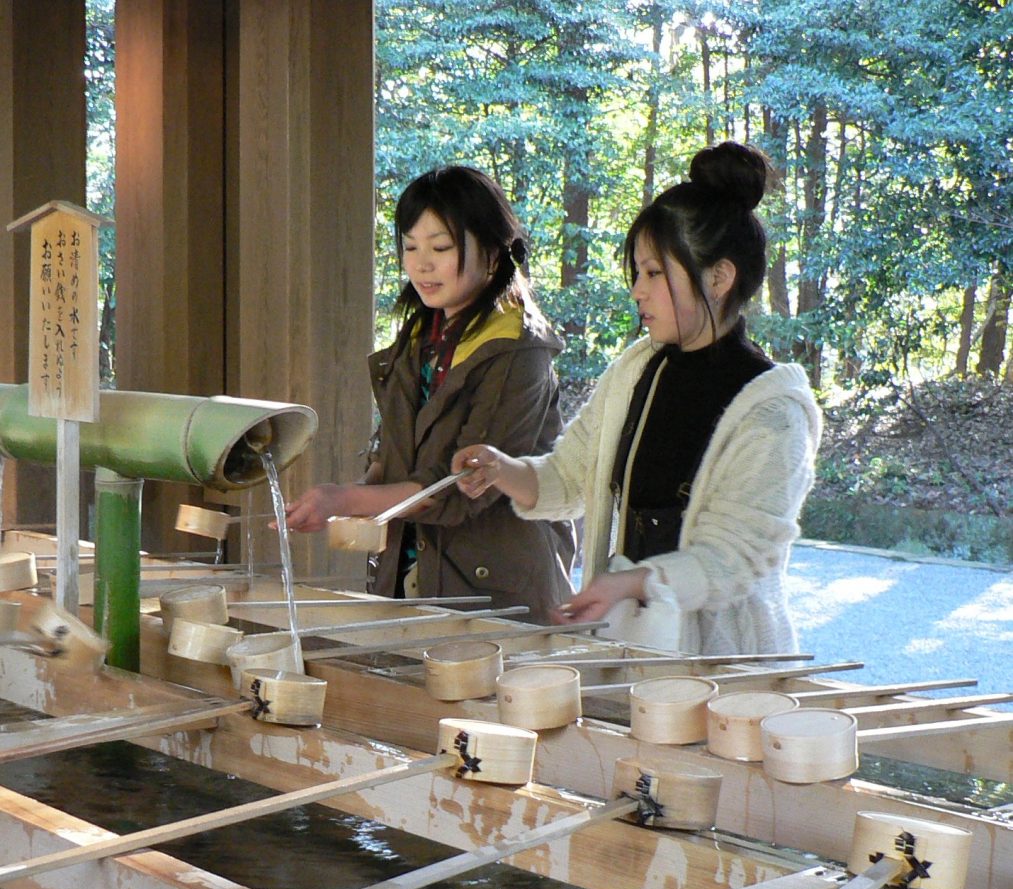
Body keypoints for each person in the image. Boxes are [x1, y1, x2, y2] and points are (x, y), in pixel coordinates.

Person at [452, 141, 822, 655]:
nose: (637, 291)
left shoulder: (773, 411)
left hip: (726, 664)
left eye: (654, 273)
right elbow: (569, 476)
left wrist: (629, 582)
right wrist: (501, 469)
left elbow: (734, 560)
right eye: (638, 273)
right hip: (635, 648)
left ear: (719, 277)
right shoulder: (637, 369)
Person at [284, 165, 575, 619]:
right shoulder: (421, 335)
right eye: (410, 246)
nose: (421, 264)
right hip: (413, 575)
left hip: (495, 592)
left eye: (440, 247)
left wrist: (344, 499)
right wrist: (348, 498)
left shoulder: (518, 350)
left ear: (493, 253)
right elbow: (396, 457)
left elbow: (459, 488)